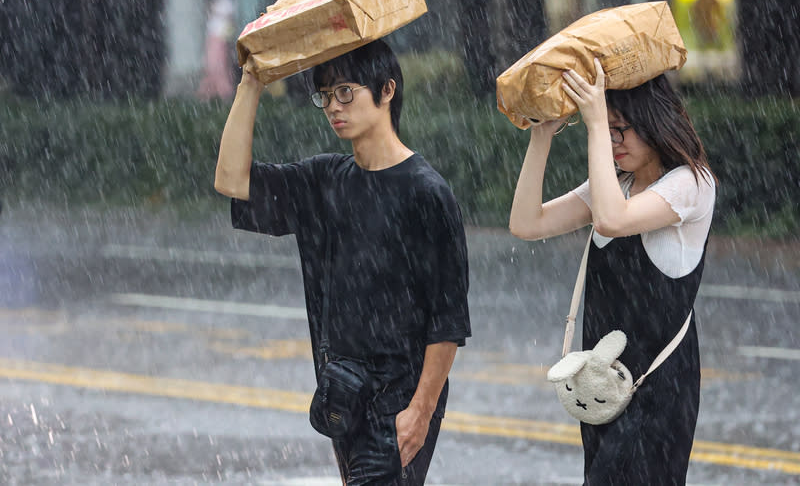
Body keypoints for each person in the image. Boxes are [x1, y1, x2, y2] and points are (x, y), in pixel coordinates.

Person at [214, 38, 471, 485]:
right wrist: (250, 84)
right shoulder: (325, 182)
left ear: (387, 90)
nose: (334, 106)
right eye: (325, 96)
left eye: (346, 92)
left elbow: (447, 321)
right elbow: (232, 180)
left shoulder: (427, 193)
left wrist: (421, 410)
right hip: (342, 394)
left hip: (400, 402)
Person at [509, 59, 716, 485]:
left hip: (656, 387)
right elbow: (526, 224)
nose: (612, 140)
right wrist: (541, 139)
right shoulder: (615, 187)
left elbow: (611, 221)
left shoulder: (692, 185)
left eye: (619, 129)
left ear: (654, 122)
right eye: (607, 130)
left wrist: (595, 119)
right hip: (601, 387)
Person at [196, 0, 235, 101]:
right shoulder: (220, 1)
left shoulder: (227, 2)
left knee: (217, 64)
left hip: (220, 36)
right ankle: (212, 91)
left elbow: (228, 18)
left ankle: (223, 91)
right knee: (212, 63)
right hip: (215, 36)